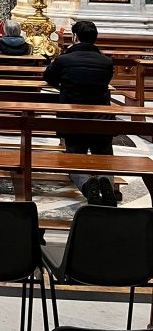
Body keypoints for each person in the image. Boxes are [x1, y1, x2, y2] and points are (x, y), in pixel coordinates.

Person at [43, 20, 116, 206]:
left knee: (74, 159)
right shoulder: (106, 62)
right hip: (102, 120)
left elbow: (48, 77)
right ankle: (106, 182)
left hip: (72, 119)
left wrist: (64, 85)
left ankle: (86, 184)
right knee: (104, 158)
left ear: (75, 37)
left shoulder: (63, 60)